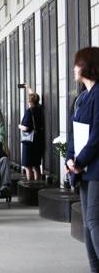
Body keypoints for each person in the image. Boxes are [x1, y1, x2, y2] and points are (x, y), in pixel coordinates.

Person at [65, 47, 99, 272]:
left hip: (94, 167)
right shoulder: (83, 97)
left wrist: (80, 161)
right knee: (88, 224)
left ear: (88, 66)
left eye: (78, 63)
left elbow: (97, 134)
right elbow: (74, 132)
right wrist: (69, 158)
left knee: (95, 222)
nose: (75, 68)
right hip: (84, 168)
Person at [18, 86, 44, 180]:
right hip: (38, 140)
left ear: (29, 101)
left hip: (29, 143)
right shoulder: (39, 110)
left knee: (28, 166)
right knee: (36, 166)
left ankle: (30, 185)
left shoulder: (29, 111)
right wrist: (29, 89)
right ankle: (38, 185)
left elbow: (26, 127)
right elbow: (35, 98)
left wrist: (19, 126)